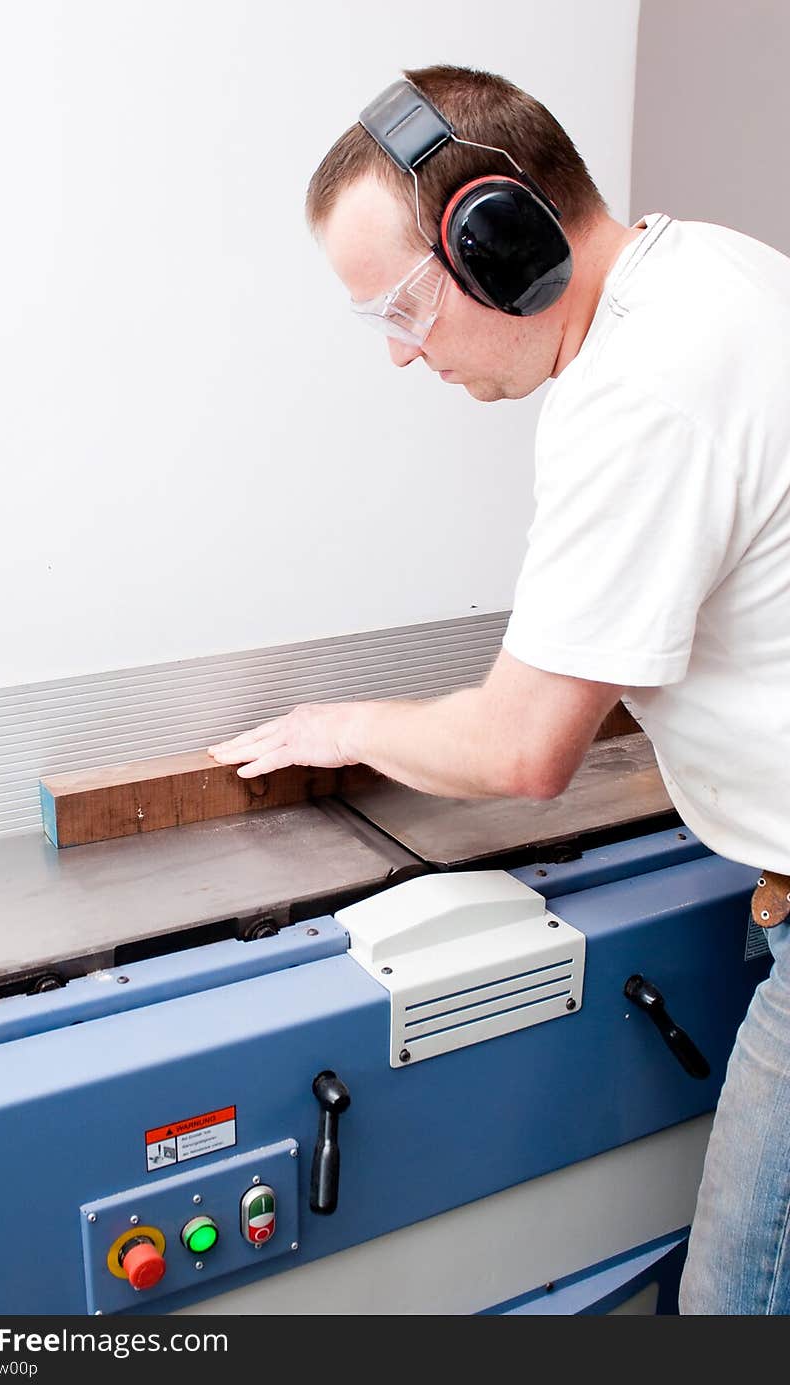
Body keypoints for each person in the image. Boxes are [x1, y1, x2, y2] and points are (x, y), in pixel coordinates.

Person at [208, 64, 790, 1314]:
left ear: (498, 236)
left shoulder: (637, 391)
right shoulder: (716, 272)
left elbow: (527, 751)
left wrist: (340, 724)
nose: (405, 357)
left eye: (404, 308)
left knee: (735, 1301)